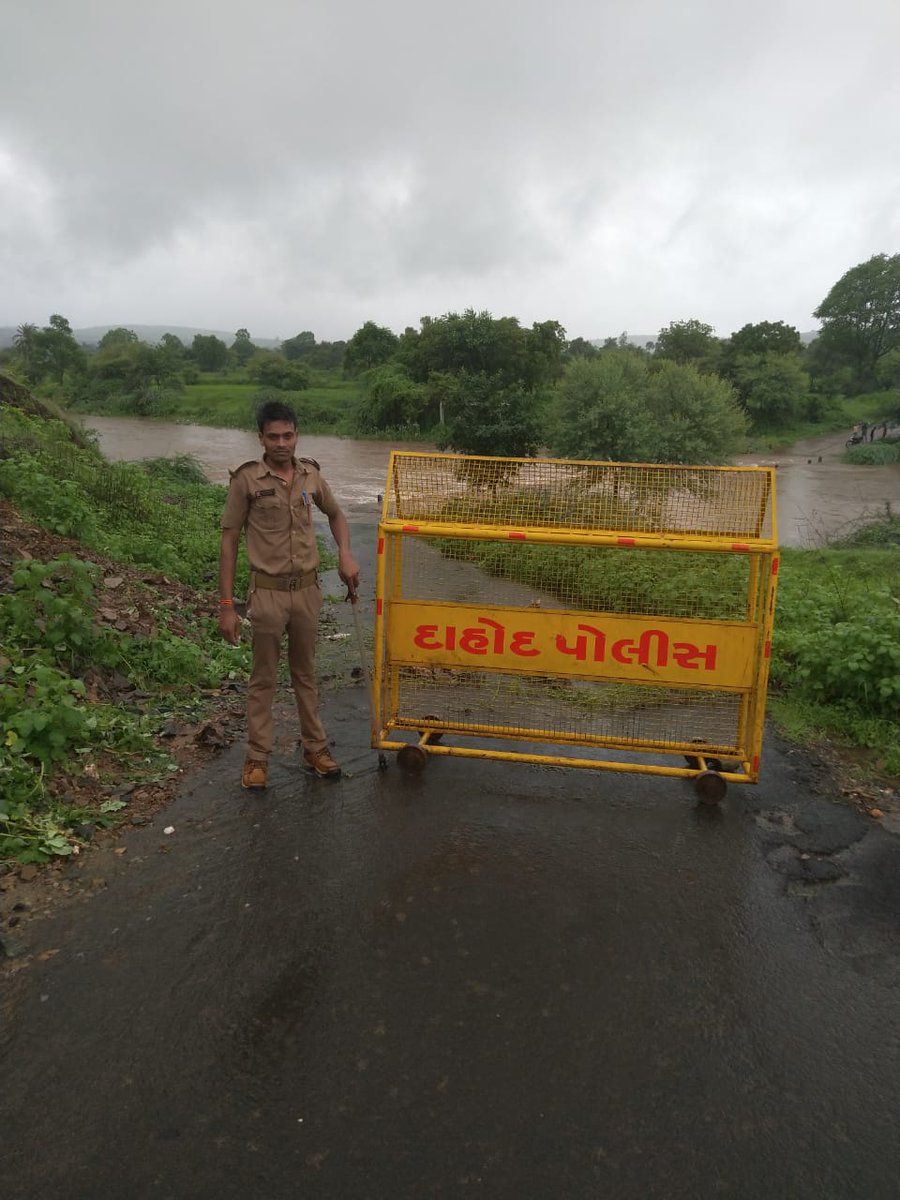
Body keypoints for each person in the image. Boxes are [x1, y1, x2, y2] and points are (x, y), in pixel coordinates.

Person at [218, 400, 360, 789]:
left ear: (297, 435)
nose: (282, 443)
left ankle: (315, 748)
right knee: (263, 677)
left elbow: (336, 514)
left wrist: (345, 554)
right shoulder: (246, 480)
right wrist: (227, 605)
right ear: (260, 438)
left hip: (307, 593)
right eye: (273, 436)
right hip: (266, 595)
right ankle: (257, 758)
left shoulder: (310, 475)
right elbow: (229, 540)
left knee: (306, 674)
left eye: (288, 435)